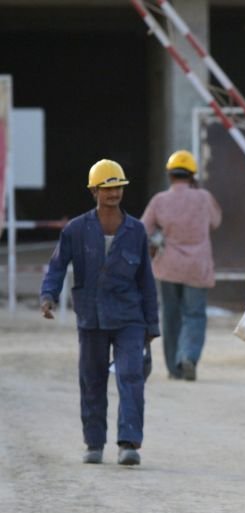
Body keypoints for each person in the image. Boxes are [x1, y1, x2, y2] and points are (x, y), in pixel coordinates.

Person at [39, 159, 160, 466]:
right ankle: (94, 443)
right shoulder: (76, 230)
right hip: (91, 316)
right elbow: (57, 265)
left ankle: (128, 443)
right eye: (107, 188)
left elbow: (146, 280)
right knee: (92, 380)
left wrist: (151, 324)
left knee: (131, 377)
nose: (114, 193)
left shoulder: (136, 231)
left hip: (129, 318)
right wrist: (48, 296)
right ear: (94, 191)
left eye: (118, 187)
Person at [141, 149, 222, 381]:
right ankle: (188, 356)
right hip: (197, 267)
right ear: (192, 175)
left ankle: (173, 369)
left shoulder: (159, 200)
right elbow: (216, 221)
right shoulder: (204, 198)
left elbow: (142, 230)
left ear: (170, 175)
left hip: (168, 267)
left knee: (171, 316)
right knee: (194, 315)